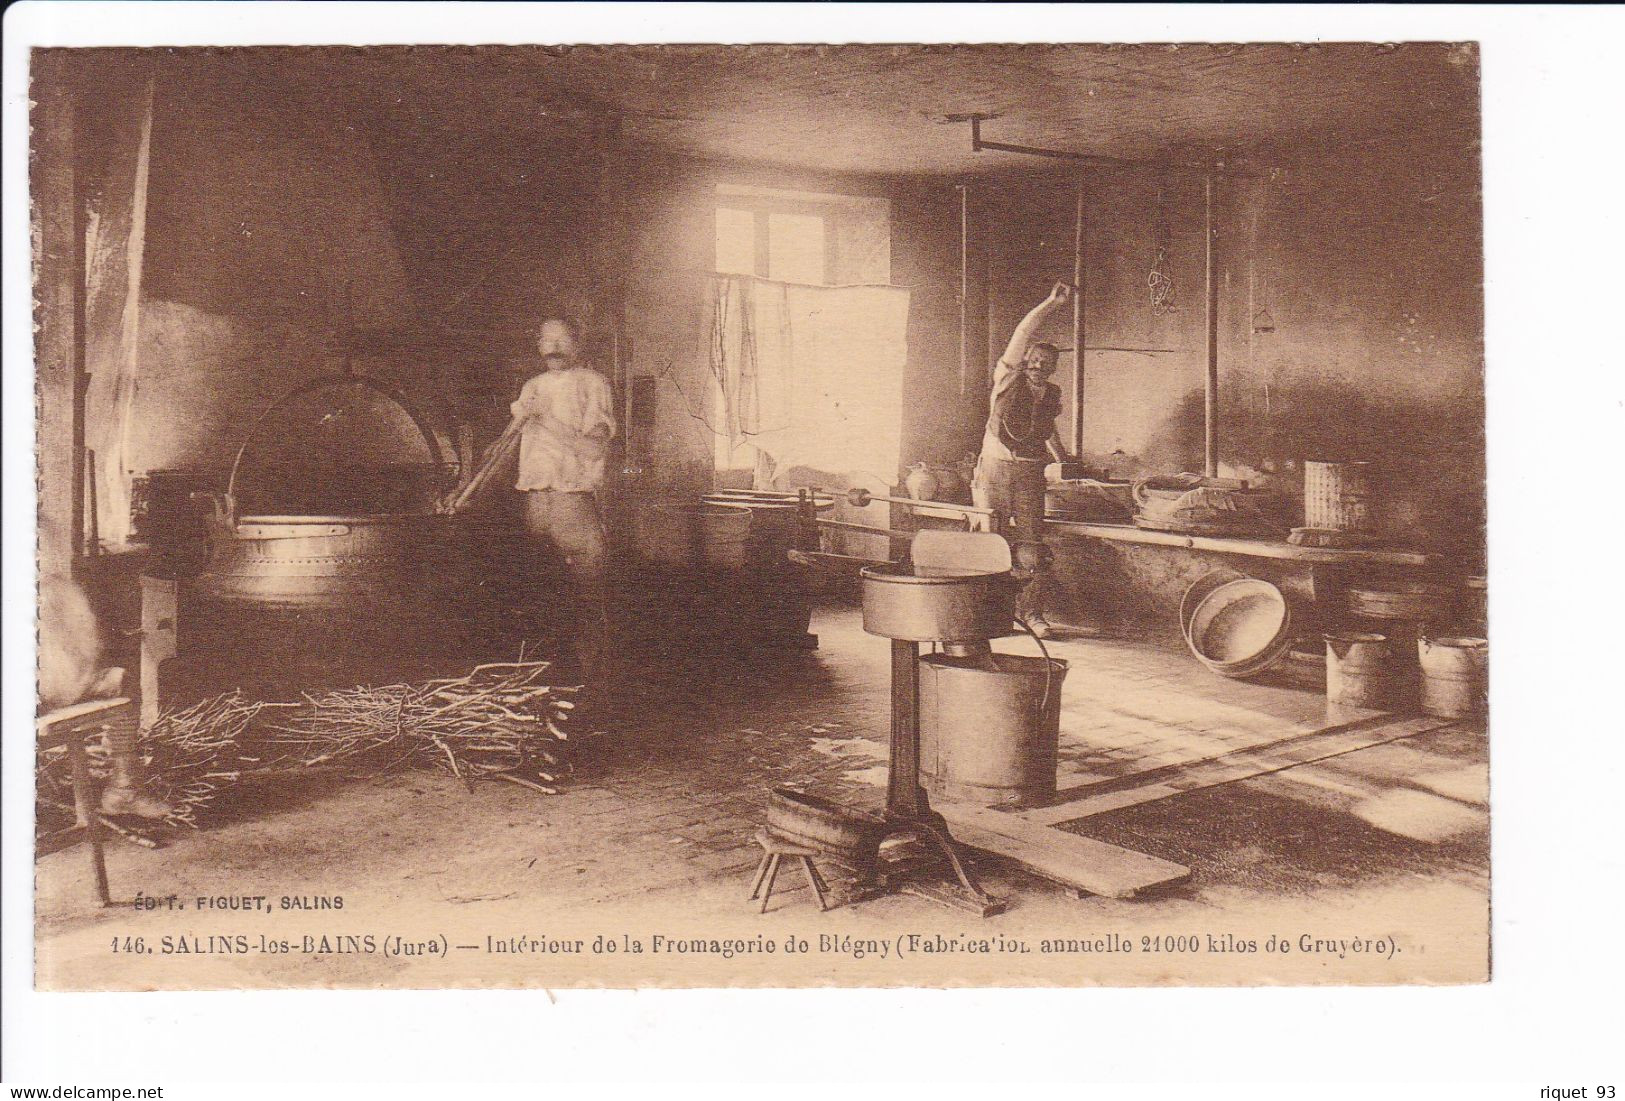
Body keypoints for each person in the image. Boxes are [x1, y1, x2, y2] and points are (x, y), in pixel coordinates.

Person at [509, 316, 616, 685]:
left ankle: (592, 686)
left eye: (562, 339)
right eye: (545, 339)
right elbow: (507, 444)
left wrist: (544, 419)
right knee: (541, 598)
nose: (552, 347)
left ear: (578, 343)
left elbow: (592, 447)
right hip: (536, 504)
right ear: (538, 345)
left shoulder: (593, 384)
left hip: (573, 504)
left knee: (586, 597)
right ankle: (545, 687)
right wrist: (465, 490)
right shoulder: (532, 386)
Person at [973, 281, 1077, 638]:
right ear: (1024, 361)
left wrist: (1067, 463)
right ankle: (990, 615)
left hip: (1030, 474)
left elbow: (1048, 432)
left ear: (1051, 368)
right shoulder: (1005, 378)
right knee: (992, 542)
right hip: (995, 470)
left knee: (1032, 548)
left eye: (1045, 364)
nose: (1037, 366)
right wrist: (1050, 304)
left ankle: (1032, 614)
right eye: (1033, 360)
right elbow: (1023, 331)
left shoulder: (1050, 393)